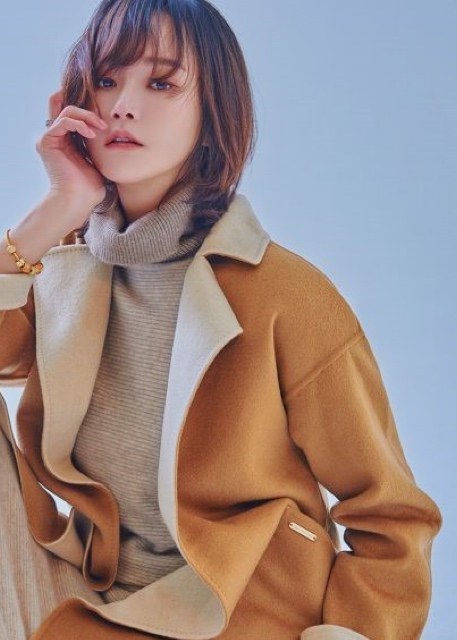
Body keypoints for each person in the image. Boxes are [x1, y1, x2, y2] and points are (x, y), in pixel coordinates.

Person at [0, 1, 442, 639]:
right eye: (106, 80)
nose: (123, 105)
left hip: (242, 613)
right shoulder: (66, 271)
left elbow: (392, 515)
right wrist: (58, 205)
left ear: (214, 112)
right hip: (96, 600)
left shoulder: (284, 293)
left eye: (161, 83)